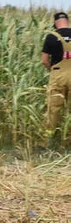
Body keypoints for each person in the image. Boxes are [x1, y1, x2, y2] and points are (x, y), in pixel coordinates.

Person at [41, 11, 71, 148]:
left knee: (53, 109)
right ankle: (68, 141)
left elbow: (44, 60)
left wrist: (53, 71)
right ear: (68, 21)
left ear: (55, 23)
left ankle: (47, 141)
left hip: (58, 76)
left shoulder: (51, 37)